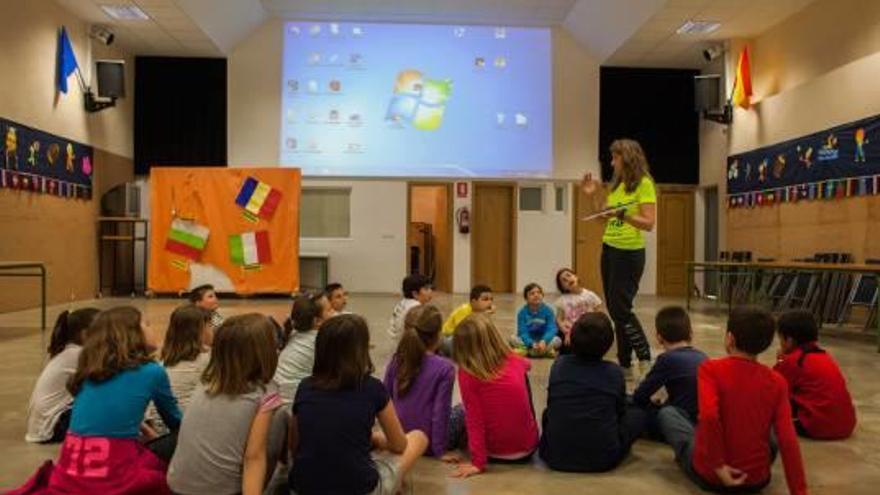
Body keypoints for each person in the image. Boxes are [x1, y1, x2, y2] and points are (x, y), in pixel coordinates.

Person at [658, 306, 807, 495]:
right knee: (769, 424)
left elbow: (710, 416)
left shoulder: (710, 369)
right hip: (756, 479)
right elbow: (788, 439)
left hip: (712, 476)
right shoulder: (777, 381)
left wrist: (718, 466)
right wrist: (799, 491)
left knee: (668, 414)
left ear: (730, 339)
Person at [36, 306, 181, 494]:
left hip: (74, 462)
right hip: (113, 469)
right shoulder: (152, 371)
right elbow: (178, 423)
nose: (153, 329)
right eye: (146, 324)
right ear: (132, 334)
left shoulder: (91, 369)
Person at [289, 314, 429, 495]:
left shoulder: (305, 387)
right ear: (361, 350)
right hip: (360, 488)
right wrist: (377, 439)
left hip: (303, 488)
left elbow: (295, 444)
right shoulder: (373, 387)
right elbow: (399, 445)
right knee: (418, 437)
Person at [167, 314, 286, 495]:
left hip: (177, 484)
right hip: (222, 490)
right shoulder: (265, 392)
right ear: (266, 352)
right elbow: (254, 457)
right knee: (281, 417)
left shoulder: (206, 380)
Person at [581, 139, 656, 373]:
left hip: (629, 253)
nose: (612, 162)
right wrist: (593, 195)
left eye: (615, 158)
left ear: (627, 158)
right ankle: (624, 362)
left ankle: (643, 354)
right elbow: (604, 215)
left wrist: (623, 215)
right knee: (616, 309)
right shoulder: (616, 186)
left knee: (619, 309)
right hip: (610, 249)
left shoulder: (644, 184)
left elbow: (648, 223)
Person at [539, 312, 646, 472]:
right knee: (638, 414)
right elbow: (620, 412)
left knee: (549, 412)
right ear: (609, 343)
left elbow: (552, 404)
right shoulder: (614, 372)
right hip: (602, 459)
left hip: (554, 456)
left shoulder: (559, 365)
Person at [446, 313, 539, 478]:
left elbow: (475, 421)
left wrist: (478, 463)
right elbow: (528, 365)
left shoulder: (468, 373)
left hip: (494, 453)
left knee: (460, 411)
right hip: (528, 449)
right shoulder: (514, 360)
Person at [383, 305, 455, 458]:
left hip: (398, 437)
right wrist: (439, 451)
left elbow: (384, 401)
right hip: (427, 443)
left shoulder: (396, 361)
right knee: (461, 412)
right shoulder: (445, 368)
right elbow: (440, 412)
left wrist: (389, 437)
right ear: (438, 335)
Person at [774, 310, 856, 440]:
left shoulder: (794, 360)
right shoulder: (824, 355)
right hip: (847, 426)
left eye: (780, 338)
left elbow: (773, 388)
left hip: (817, 427)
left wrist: (780, 361)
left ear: (789, 340)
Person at [631, 306, 707, 439]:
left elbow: (640, 396)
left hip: (680, 421)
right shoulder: (702, 357)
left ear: (659, 337)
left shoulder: (667, 359)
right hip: (700, 421)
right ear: (691, 334)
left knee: (631, 408)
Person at [25, 307, 100, 443]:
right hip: (53, 427)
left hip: (43, 426)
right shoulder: (79, 354)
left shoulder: (66, 351)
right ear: (85, 335)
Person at [145, 304, 213, 435]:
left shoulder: (162, 363)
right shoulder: (207, 360)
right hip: (183, 430)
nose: (213, 331)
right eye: (210, 326)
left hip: (158, 430)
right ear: (201, 330)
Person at [274, 293, 328, 406]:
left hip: (279, 396)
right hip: (293, 403)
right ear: (317, 321)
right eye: (330, 310)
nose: (335, 314)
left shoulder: (294, 332)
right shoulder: (320, 340)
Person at [554, 269, 602, 352]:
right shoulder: (562, 299)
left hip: (587, 328)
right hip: (570, 329)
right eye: (564, 280)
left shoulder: (590, 295)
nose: (568, 280)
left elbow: (599, 314)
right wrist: (565, 332)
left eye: (569, 275)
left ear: (576, 276)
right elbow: (559, 319)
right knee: (564, 341)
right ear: (563, 287)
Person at [513, 283, 561, 358]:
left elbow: (551, 328)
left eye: (539, 292)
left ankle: (528, 352)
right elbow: (522, 331)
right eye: (532, 293)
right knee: (513, 338)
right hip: (529, 341)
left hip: (544, 341)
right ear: (526, 298)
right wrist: (531, 343)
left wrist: (544, 340)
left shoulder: (548, 311)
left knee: (557, 340)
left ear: (542, 296)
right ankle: (546, 352)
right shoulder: (522, 313)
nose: (536, 295)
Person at [388, 274, 434, 341]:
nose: (430, 291)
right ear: (415, 294)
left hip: (396, 341)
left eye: (430, 288)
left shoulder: (402, 302)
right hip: (408, 345)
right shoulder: (416, 308)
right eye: (426, 289)